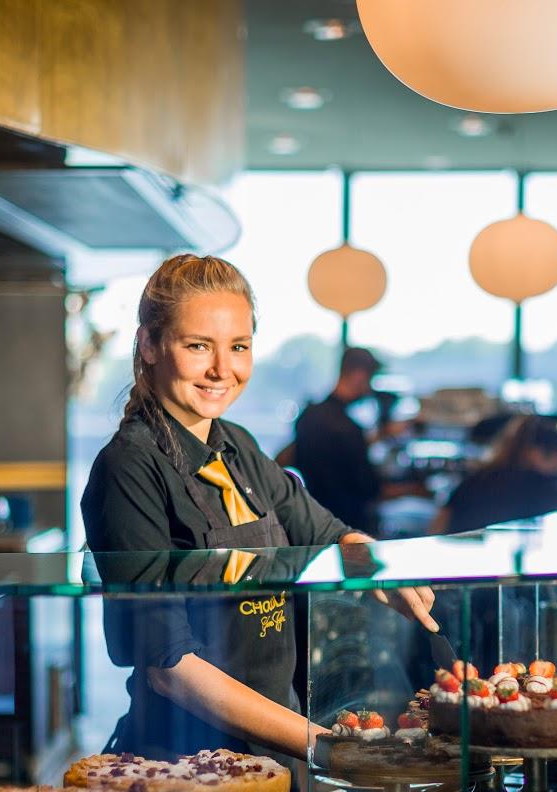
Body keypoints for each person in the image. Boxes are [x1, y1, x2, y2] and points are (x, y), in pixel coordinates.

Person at [81, 254, 437, 763]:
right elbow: (167, 666)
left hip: (278, 750)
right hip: (188, 768)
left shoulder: (238, 446)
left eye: (239, 347)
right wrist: (328, 748)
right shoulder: (129, 467)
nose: (222, 370)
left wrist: (382, 569)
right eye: (198, 345)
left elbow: (329, 533)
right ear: (150, 344)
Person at [276, 347, 385, 535]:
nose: (369, 388)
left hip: (313, 523)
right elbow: (371, 490)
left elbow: (282, 459)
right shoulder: (349, 429)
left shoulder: (309, 416)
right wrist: (416, 490)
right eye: (370, 379)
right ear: (359, 376)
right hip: (349, 528)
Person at [430, 414, 557, 535]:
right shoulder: (554, 492)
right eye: (554, 453)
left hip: (465, 565)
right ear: (535, 452)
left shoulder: (477, 480)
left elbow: (437, 528)